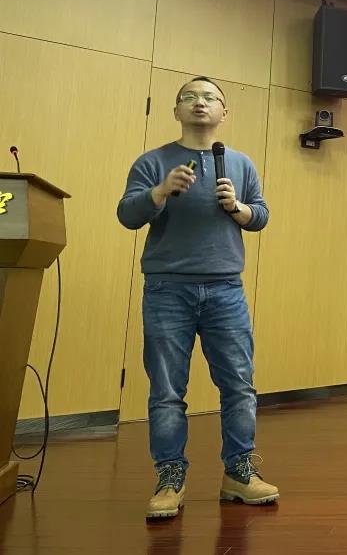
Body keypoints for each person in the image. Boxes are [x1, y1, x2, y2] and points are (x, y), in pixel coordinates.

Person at [117, 76, 277, 519]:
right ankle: (170, 477)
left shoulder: (240, 163)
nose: (200, 103)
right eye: (189, 97)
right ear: (176, 111)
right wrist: (159, 191)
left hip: (226, 289)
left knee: (239, 385)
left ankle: (239, 473)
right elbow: (127, 214)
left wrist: (238, 208)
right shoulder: (153, 162)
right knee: (167, 390)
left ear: (224, 111)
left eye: (210, 97)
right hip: (167, 289)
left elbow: (260, 214)